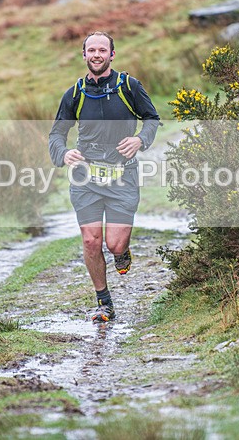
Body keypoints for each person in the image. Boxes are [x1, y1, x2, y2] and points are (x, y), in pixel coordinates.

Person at [49, 31, 161, 323]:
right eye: (91, 50)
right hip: (85, 178)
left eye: (102, 50)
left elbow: (152, 118)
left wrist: (140, 141)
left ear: (112, 54)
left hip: (123, 176)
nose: (96, 55)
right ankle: (104, 303)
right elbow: (57, 134)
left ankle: (122, 252)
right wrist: (63, 153)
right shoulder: (74, 93)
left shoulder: (129, 86)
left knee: (114, 244)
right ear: (83, 55)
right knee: (90, 241)